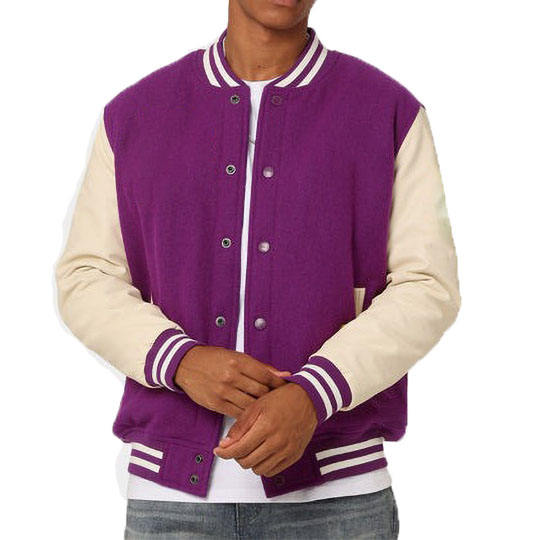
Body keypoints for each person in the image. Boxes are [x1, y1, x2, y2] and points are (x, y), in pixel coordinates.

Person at [55, 0, 461, 538]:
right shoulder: (135, 115)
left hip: (338, 496)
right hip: (171, 501)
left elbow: (427, 286)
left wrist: (316, 393)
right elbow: (86, 276)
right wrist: (179, 360)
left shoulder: (387, 111)